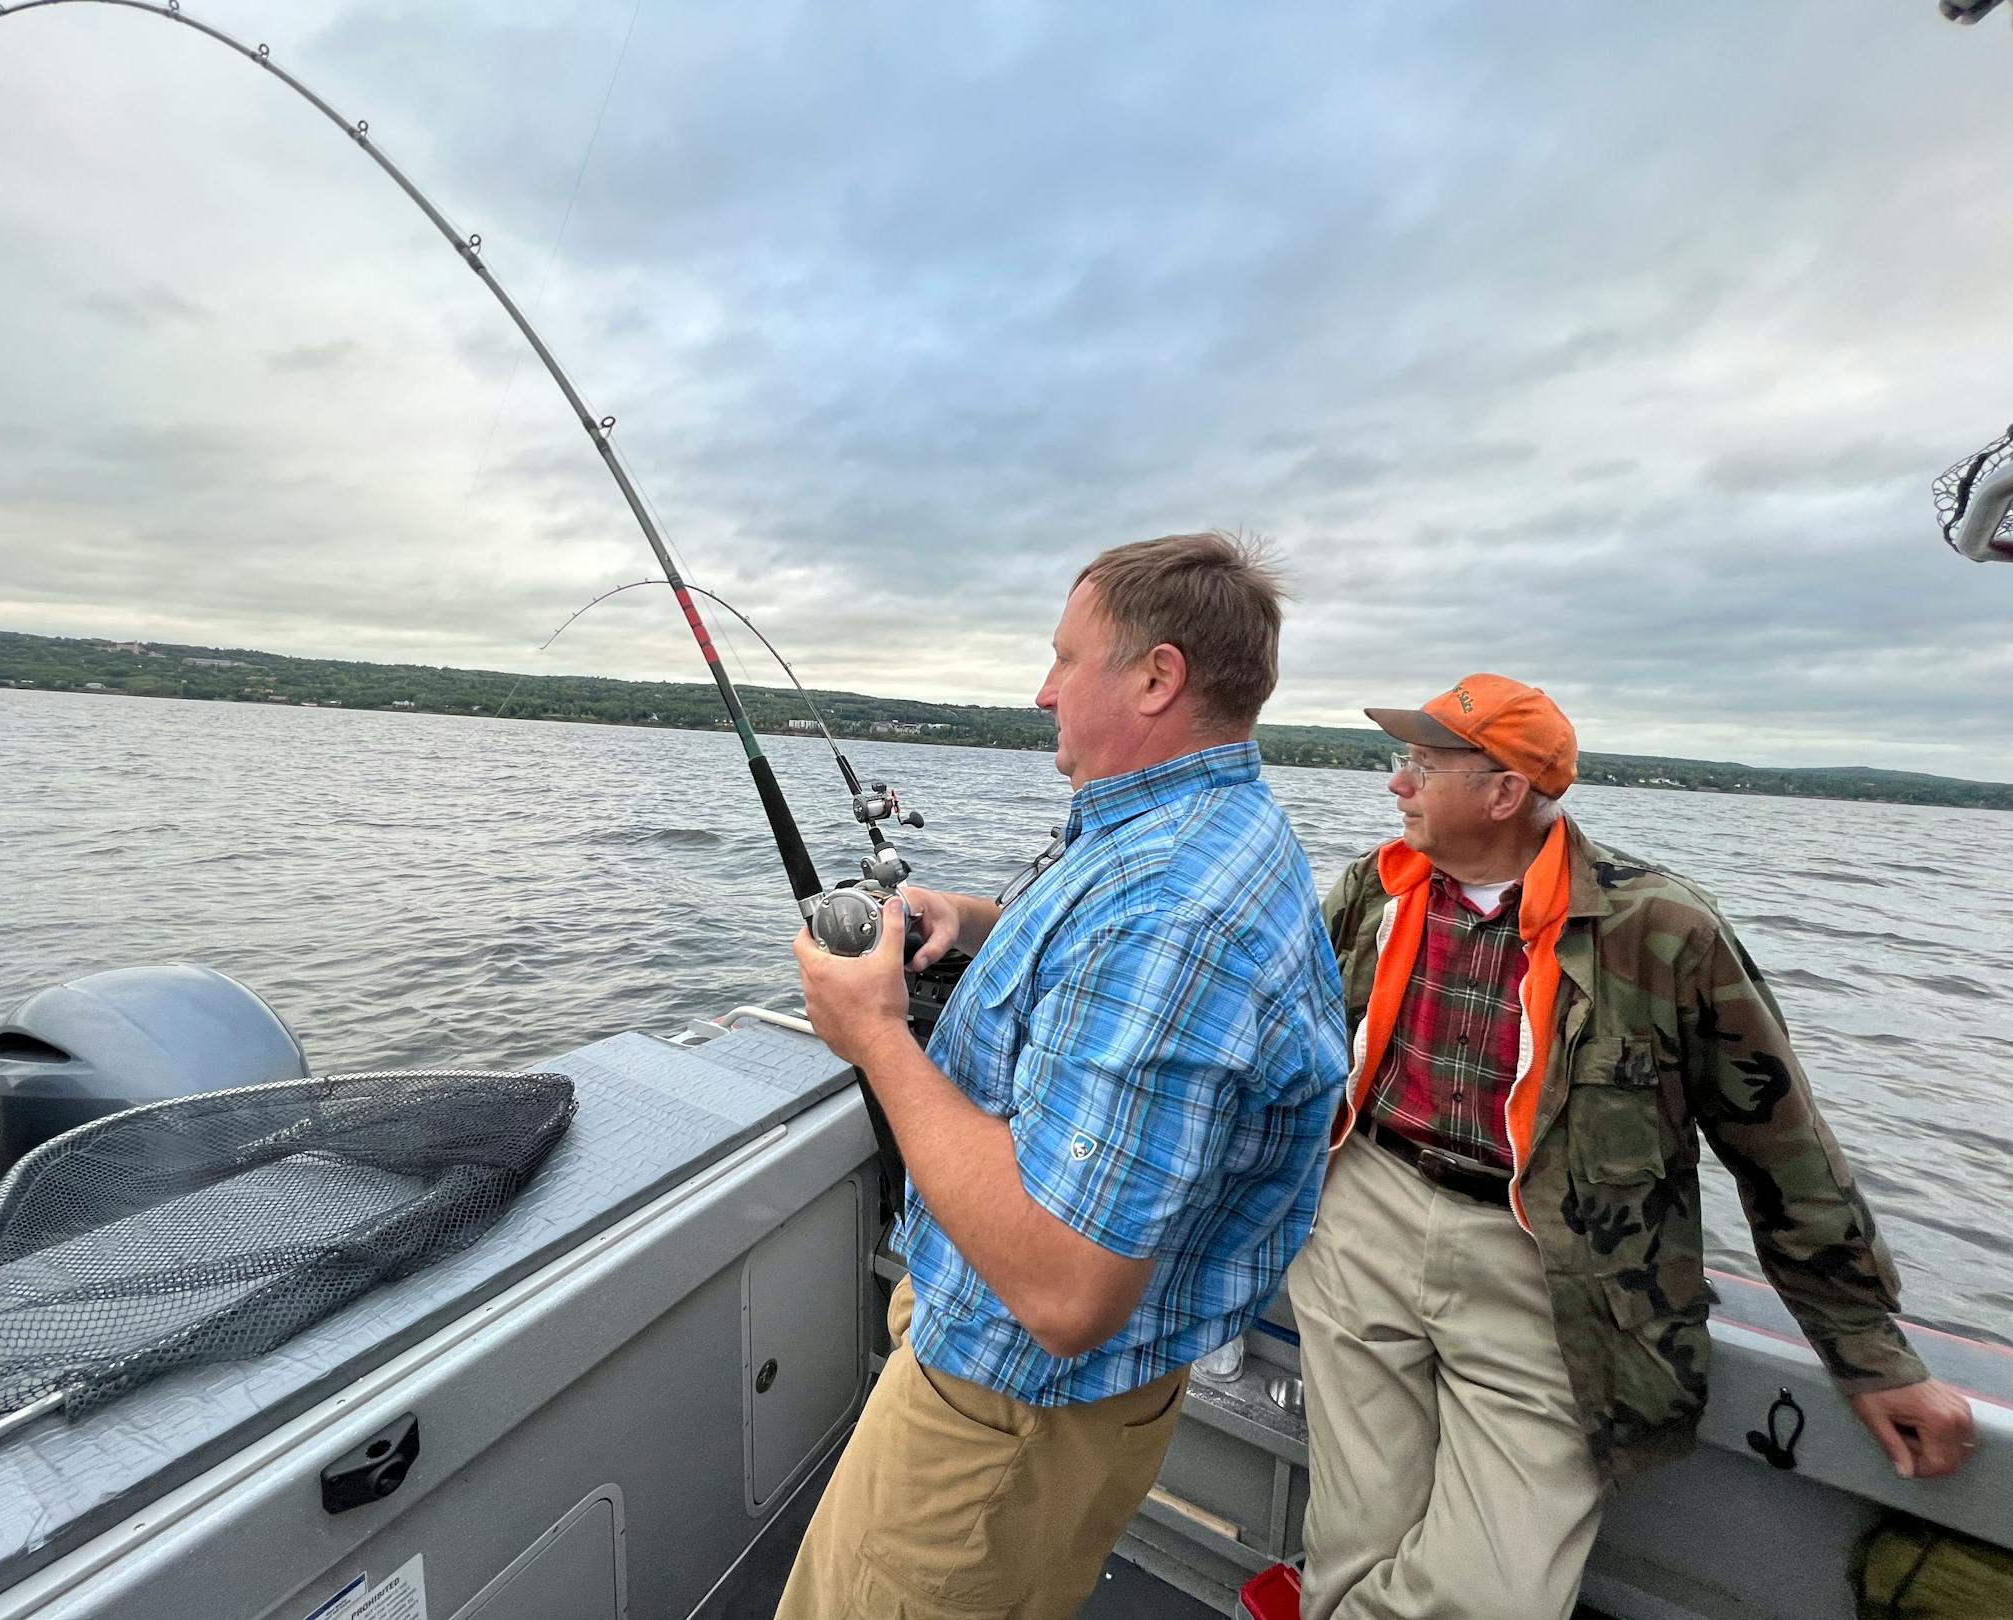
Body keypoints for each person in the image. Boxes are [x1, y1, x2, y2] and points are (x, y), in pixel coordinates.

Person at [1288, 673, 1979, 1620]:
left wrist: (1866, 1348)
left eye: (1418, 765)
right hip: (1364, 1213)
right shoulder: (1374, 891)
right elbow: (1289, 1049)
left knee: (1496, 1593)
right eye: (1400, 762)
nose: (1396, 785)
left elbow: (1778, 1144)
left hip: (1550, 1267)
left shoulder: (1661, 929)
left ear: (1503, 793)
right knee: (1350, 1539)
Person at [779, 532, 1347, 1620]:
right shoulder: (1200, 829)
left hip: (1005, 1407)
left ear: (1155, 677)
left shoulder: (1175, 913)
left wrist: (878, 1038)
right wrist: (980, 921)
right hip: (1034, 1393)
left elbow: (1066, 1290)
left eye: (1064, 659)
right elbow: (1107, 960)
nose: (1041, 692)